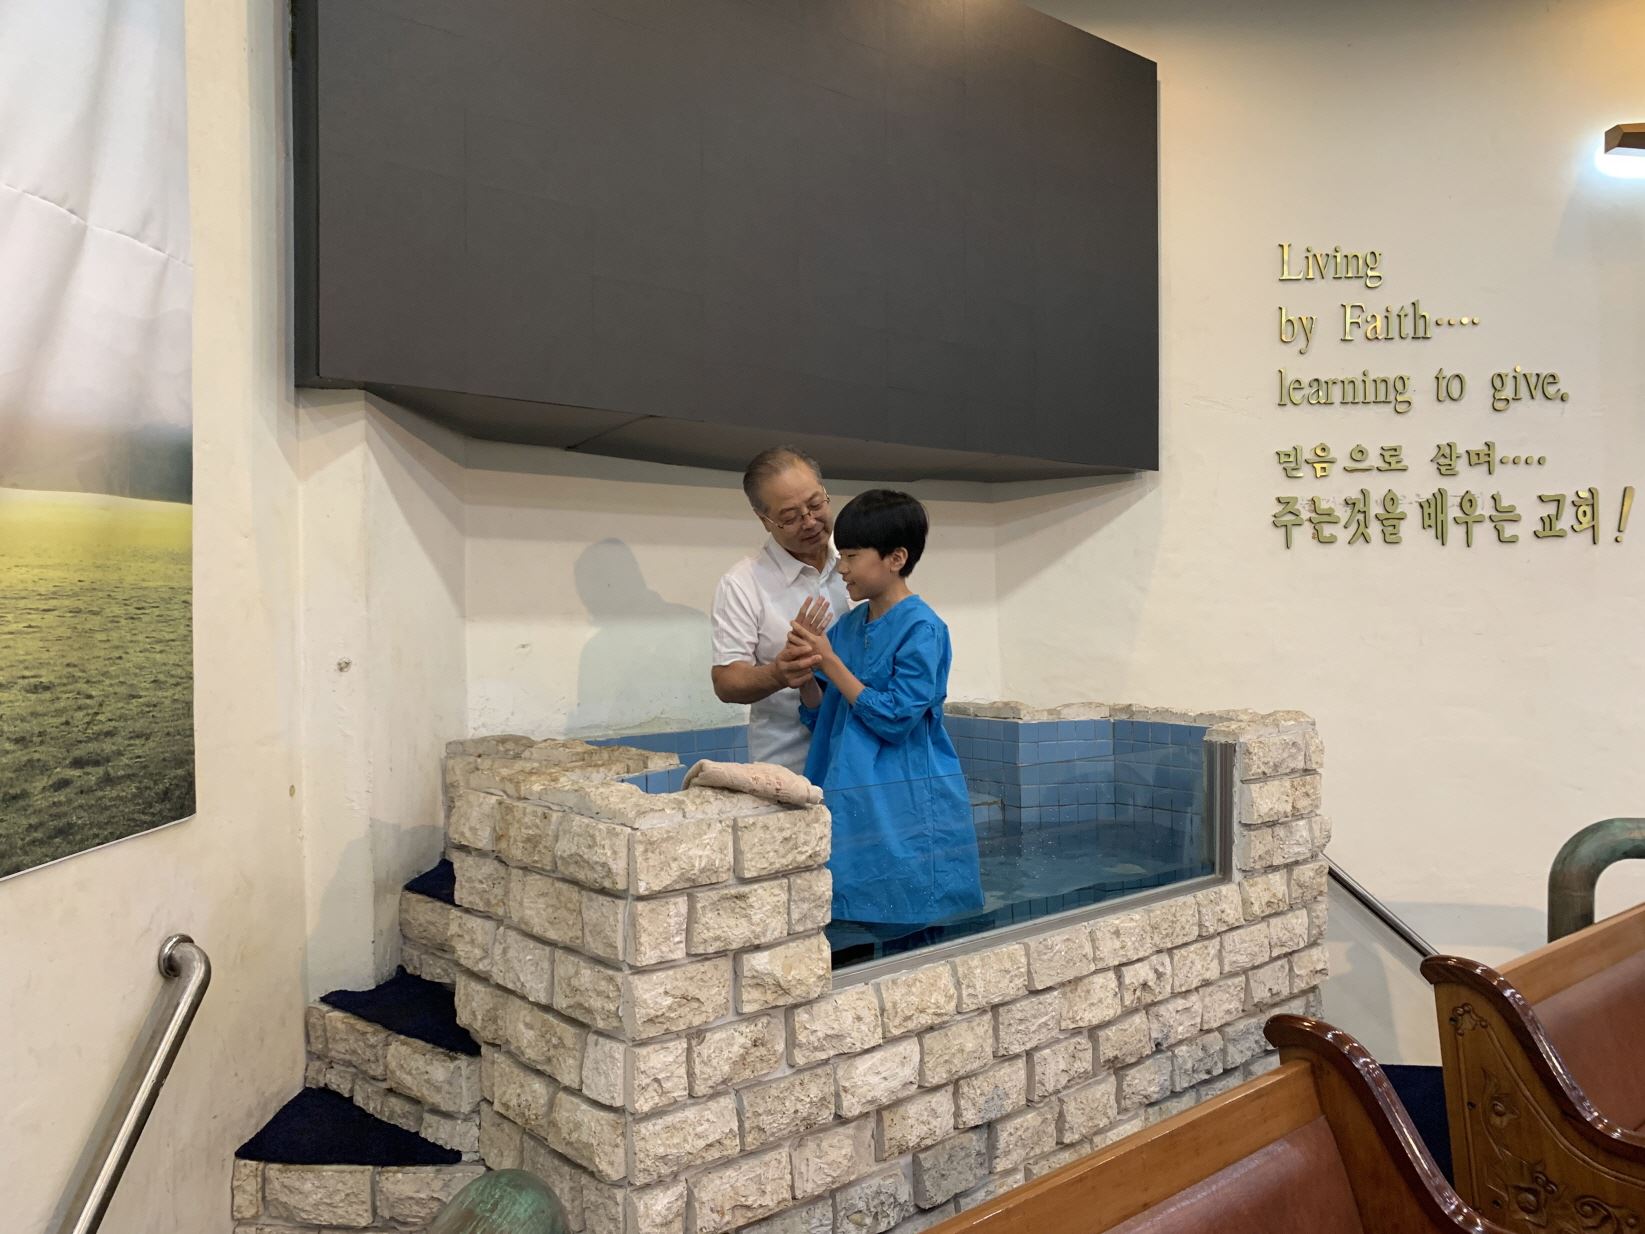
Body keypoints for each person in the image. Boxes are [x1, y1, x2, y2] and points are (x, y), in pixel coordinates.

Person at [786, 489, 984, 942]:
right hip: (852, 797)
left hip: (906, 799)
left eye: (853, 556)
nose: (842, 568)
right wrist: (803, 675)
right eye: (841, 555)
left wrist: (829, 661)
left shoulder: (923, 628)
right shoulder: (848, 627)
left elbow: (896, 718)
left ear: (896, 558)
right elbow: (824, 716)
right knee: (851, 925)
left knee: (917, 929)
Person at [711, 448, 852, 774]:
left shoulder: (858, 562)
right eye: (790, 517)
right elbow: (726, 681)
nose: (810, 521)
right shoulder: (742, 583)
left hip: (859, 762)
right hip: (788, 768)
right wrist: (778, 673)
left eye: (816, 504)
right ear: (764, 520)